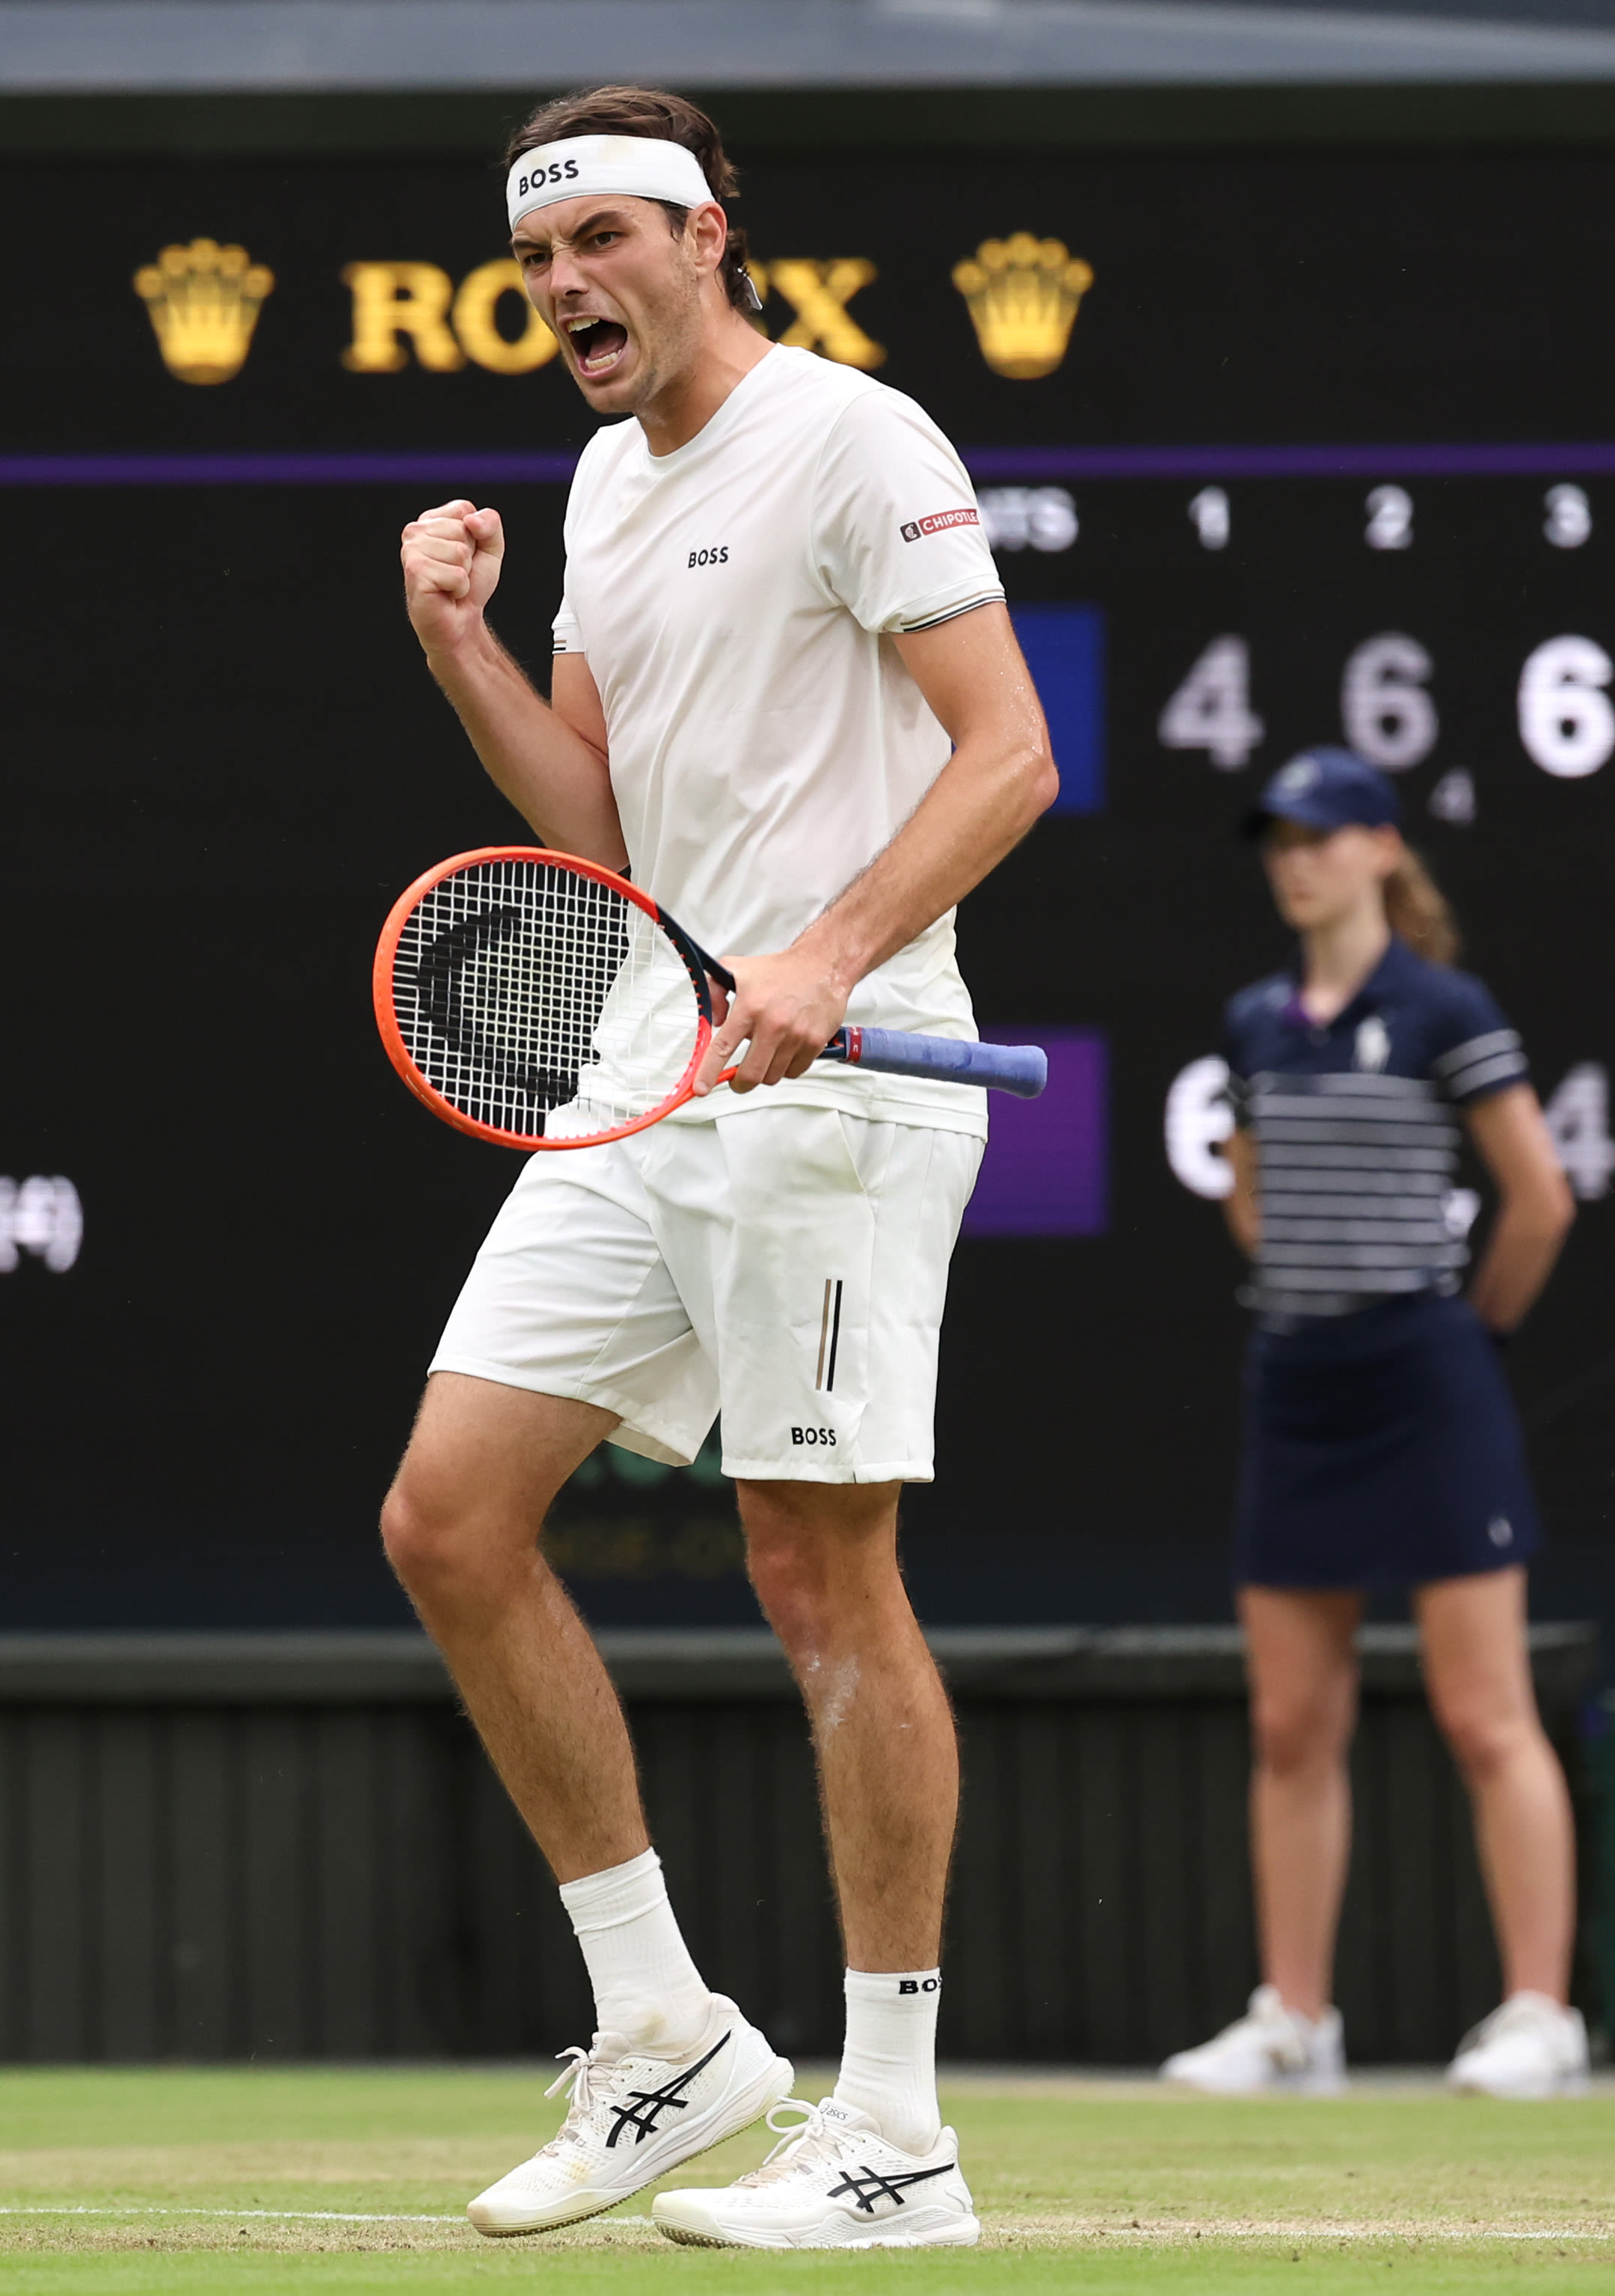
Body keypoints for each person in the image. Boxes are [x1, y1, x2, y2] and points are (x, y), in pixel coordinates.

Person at [381, 84, 1053, 2248]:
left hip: (836, 1090)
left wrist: (829, 947)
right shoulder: (591, 480)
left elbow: (1011, 748)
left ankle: (895, 2131)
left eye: (602, 239)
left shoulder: (859, 443)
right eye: (536, 260)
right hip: (643, 1070)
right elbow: (593, 837)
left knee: (811, 1572)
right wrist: (457, 642)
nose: (567, 284)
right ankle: (667, 2034)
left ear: (704, 237)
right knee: (449, 1516)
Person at [1160, 746, 1588, 2102]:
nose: (1296, 859)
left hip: (1427, 1377)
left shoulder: (1444, 1006)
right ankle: (1296, 2021)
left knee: (1484, 1715)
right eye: (1279, 838)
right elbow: (1249, 1193)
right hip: (1298, 1382)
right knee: (1291, 1723)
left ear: (1381, 849)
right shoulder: (1252, 1021)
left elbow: (1541, 1199)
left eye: (1322, 835)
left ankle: (1539, 2015)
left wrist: (1475, 1339)